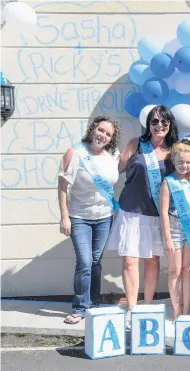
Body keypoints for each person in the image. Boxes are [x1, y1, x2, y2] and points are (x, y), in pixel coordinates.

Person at [107, 105, 178, 327]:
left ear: (170, 125)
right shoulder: (136, 144)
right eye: (154, 122)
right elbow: (113, 172)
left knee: (152, 259)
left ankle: (146, 307)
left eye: (163, 122)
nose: (159, 126)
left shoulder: (175, 151)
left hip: (157, 214)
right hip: (131, 211)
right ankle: (131, 307)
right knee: (129, 260)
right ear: (148, 124)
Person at [58, 115, 121, 324]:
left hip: (104, 217)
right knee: (84, 262)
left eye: (108, 134)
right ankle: (80, 307)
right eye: (101, 130)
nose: (103, 136)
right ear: (93, 128)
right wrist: (64, 217)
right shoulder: (75, 153)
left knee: (95, 262)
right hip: (79, 217)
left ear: (112, 139)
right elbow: (62, 187)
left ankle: (93, 304)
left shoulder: (112, 155)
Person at [160, 138, 190, 319]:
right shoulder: (168, 182)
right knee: (174, 270)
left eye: (187, 162)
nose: (184, 166)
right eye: (180, 162)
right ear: (173, 161)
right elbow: (163, 212)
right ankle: (177, 310)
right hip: (174, 227)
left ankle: (187, 310)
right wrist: (168, 238)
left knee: (187, 269)